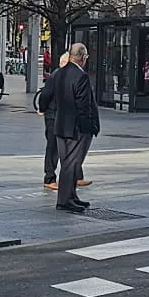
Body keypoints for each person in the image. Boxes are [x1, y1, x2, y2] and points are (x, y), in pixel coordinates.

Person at [38, 41, 99, 212]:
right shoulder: (81, 77)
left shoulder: (58, 74)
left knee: (67, 163)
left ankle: (71, 196)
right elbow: (84, 105)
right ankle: (65, 200)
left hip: (60, 125)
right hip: (76, 128)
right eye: (85, 57)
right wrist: (89, 127)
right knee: (71, 164)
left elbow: (48, 95)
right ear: (81, 58)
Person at [41, 50, 70, 190]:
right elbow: (45, 95)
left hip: (61, 115)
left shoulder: (66, 76)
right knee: (53, 147)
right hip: (53, 115)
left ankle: (75, 175)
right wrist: (42, 108)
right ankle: (49, 177)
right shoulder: (56, 76)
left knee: (65, 147)